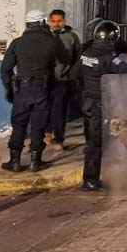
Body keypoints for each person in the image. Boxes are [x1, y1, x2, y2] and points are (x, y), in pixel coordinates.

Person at [78, 21, 127, 191]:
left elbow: (75, 74)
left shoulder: (87, 51)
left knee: (93, 139)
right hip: (98, 102)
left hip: (87, 100)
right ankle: (90, 179)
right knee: (96, 141)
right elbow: (126, 69)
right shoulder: (107, 57)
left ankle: (93, 176)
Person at [0, 9, 69, 173]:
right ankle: (35, 162)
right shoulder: (52, 41)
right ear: (42, 23)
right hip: (43, 88)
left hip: (22, 89)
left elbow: (5, 70)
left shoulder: (17, 43)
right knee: (38, 126)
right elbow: (64, 60)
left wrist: (9, 89)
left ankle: (14, 162)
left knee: (19, 124)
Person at [45, 9, 81, 152]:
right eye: (53, 21)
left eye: (59, 21)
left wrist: (72, 75)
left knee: (59, 110)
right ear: (49, 21)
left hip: (63, 80)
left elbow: (78, 58)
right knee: (45, 109)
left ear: (64, 21)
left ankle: (58, 138)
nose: (56, 24)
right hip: (46, 80)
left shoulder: (72, 37)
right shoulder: (45, 36)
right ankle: (46, 135)